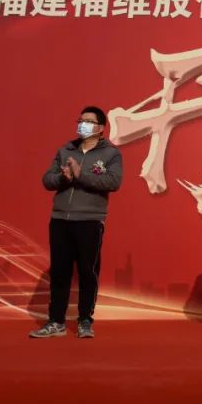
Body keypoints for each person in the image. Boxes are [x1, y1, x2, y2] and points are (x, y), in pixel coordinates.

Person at [31, 106, 123, 339]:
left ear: (100, 128)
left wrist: (81, 174)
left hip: (89, 221)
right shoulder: (65, 150)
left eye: (89, 121)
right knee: (60, 272)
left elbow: (113, 182)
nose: (83, 125)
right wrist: (63, 178)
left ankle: (84, 320)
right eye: (81, 120)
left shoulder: (111, 154)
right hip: (60, 219)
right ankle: (56, 321)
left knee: (87, 272)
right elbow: (47, 180)